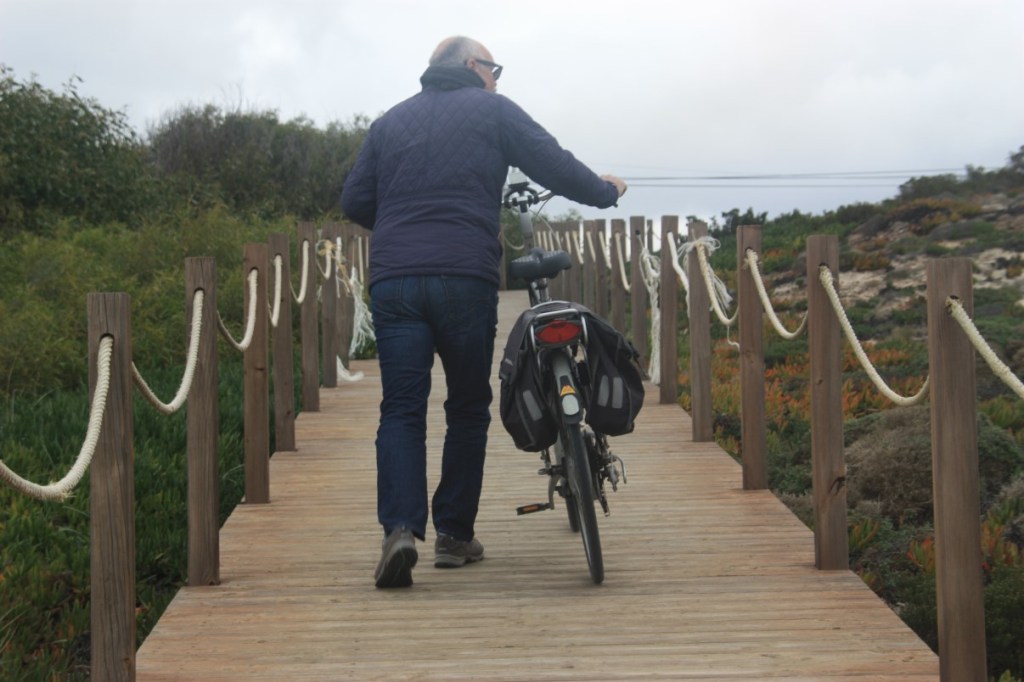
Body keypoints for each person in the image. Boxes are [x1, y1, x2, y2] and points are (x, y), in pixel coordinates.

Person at [341, 35, 627, 589]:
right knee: (468, 406)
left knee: (401, 408)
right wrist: (604, 192)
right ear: (472, 66)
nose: (496, 79)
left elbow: (354, 200)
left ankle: (399, 530)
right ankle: (453, 535)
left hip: (396, 281)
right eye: (494, 68)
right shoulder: (493, 110)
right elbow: (553, 164)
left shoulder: (388, 123)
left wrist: (404, 221)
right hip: (464, 277)